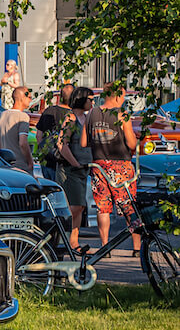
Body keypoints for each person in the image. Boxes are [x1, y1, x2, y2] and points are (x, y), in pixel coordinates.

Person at [81, 81, 140, 257]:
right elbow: (131, 143)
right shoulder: (122, 115)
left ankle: (105, 246)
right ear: (117, 96)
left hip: (99, 166)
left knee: (103, 207)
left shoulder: (91, 113)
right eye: (123, 96)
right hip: (120, 166)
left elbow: (84, 142)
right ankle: (137, 247)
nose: (124, 99)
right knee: (129, 206)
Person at [56, 86, 94, 252]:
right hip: (71, 169)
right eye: (90, 99)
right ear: (81, 99)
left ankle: (73, 240)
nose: (92, 103)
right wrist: (74, 163)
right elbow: (61, 143)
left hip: (85, 167)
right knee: (75, 206)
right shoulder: (70, 118)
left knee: (80, 205)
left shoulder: (87, 118)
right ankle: (69, 240)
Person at [36, 83, 75, 180]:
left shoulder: (49, 110)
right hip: (63, 163)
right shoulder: (72, 116)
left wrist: (45, 151)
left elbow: (38, 135)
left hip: (46, 160)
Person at [0, 85, 33, 173]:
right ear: (22, 98)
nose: (31, 100)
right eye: (29, 97)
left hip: (6, 164)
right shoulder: (23, 117)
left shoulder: (3, 115)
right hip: (20, 165)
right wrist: (30, 162)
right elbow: (23, 143)